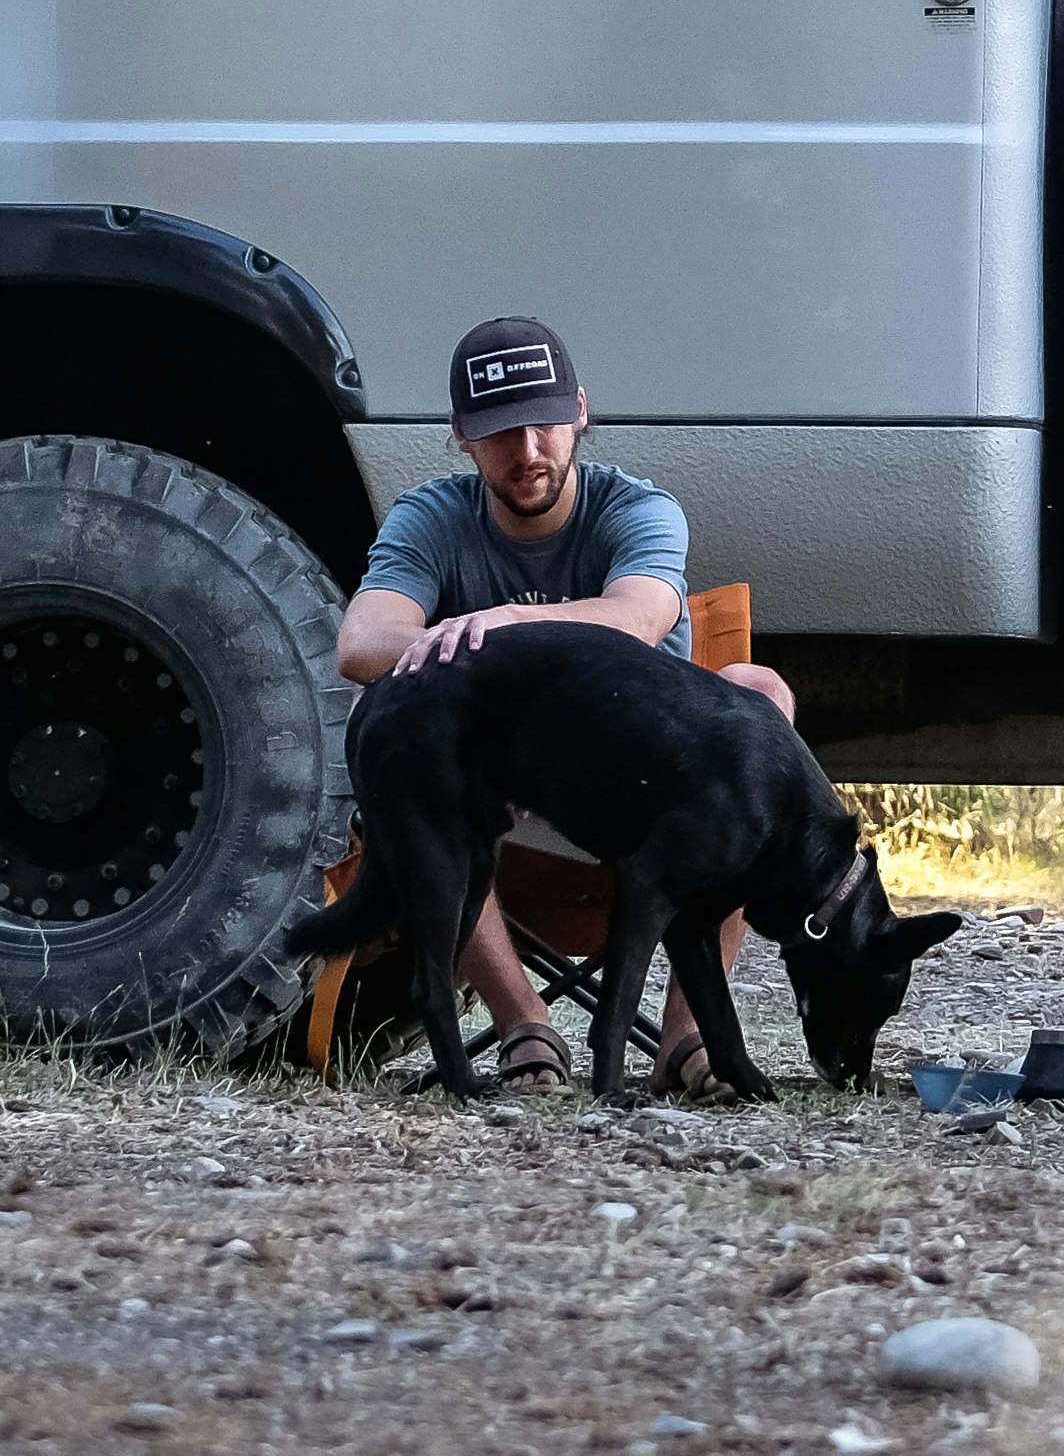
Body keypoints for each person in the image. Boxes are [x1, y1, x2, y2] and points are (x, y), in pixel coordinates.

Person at [339, 314, 800, 1088]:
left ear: (579, 410)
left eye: (545, 423)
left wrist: (509, 621)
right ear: (460, 435)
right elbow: (362, 643)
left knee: (761, 692)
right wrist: (468, 638)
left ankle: (690, 1044)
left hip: (643, 802)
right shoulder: (431, 518)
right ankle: (526, 1029)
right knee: (386, 729)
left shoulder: (636, 509)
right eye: (500, 431)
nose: (527, 452)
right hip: (493, 807)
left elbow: (640, 616)